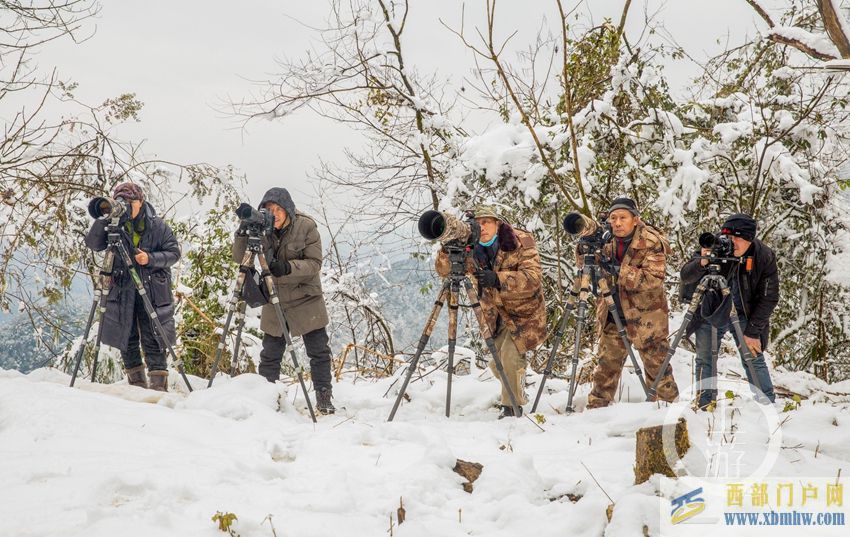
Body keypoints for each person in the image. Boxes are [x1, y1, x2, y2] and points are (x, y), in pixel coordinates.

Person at [434, 205, 546, 419]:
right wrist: (447, 248)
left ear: (498, 223)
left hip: (524, 313)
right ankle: (517, 388)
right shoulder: (470, 245)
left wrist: (499, 279)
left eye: (486, 222)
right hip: (495, 314)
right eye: (477, 223)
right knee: (497, 365)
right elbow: (443, 271)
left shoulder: (519, 240)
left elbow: (533, 279)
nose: (481, 227)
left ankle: (512, 409)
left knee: (510, 359)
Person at [232, 187, 336, 414]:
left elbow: (314, 264)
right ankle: (266, 400)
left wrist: (288, 267)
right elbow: (240, 258)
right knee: (270, 354)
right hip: (275, 295)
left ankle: (324, 397)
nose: (274, 214)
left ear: (288, 210)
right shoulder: (260, 227)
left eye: (278, 209)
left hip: (306, 297)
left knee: (318, 351)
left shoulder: (306, 226)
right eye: (269, 209)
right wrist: (243, 232)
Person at [84, 182, 181, 391]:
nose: (126, 206)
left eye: (130, 202)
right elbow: (93, 244)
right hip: (122, 288)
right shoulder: (114, 223)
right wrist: (105, 218)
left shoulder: (157, 225)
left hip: (152, 289)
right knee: (126, 336)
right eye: (121, 202)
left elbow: (174, 253)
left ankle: (158, 388)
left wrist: (151, 258)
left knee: (153, 335)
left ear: (141, 202)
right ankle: (136, 387)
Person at [586, 197, 679, 409]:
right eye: (613, 218)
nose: (617, 223)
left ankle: (669, 412)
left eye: (622, 218)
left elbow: (653, 279)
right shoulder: (606, 240)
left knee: (658, 367)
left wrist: (619, 270)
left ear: (635, 219)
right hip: (613, 312)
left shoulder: (651, 241)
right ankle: (595, 412)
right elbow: (589, 269)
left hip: (646, 317)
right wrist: (586, 249)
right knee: (605, 366)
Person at [680, 213, 778, 407]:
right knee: (704, 357)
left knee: (752, 354)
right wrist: (703, 261)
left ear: (749, 239)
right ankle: (704, 403)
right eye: (728, 237)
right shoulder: (714, 246)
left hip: (743, 313)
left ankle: (766, 404)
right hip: (712, 308)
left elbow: (769, 297)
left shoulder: (763, 255)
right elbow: (686, 275)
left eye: (736, 238)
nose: (731, 243)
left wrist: (753, 331)